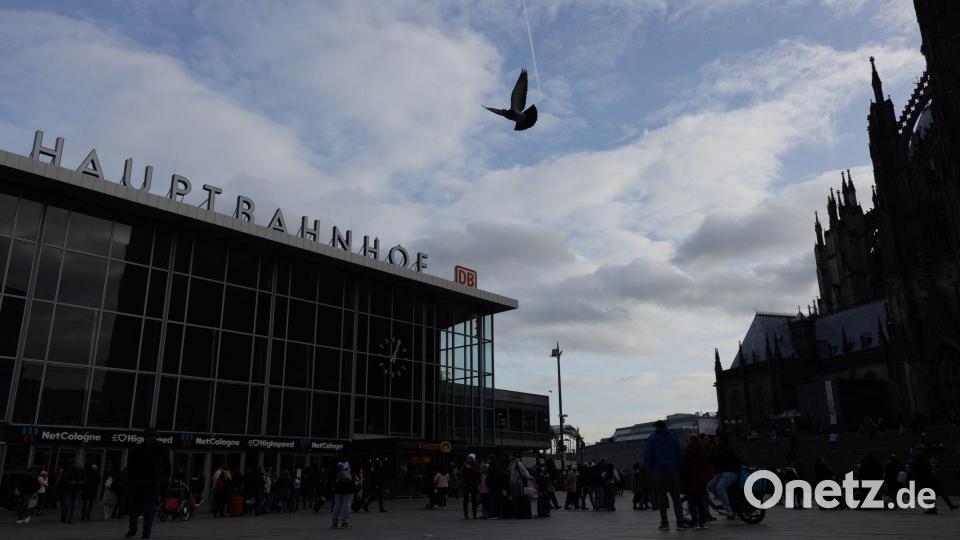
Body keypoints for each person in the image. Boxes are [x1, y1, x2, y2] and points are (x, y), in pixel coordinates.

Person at [126, 429, 172, 539]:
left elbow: (130, 466)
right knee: (149, 506)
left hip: (137, 479)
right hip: (153, 480)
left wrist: (130, 478)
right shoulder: (163, 448)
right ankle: (146, 532)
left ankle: (132, 530)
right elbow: (167, 466)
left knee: (135, 506)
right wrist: (165, 480)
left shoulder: (136, 449)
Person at [644, 420, 685, 531]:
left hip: (659, 471)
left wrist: (652, 468)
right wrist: (677, 467)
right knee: (676, 497)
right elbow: (680, 454)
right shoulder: (674, 439)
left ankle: (664, 523)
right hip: (672, 470)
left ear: (657, 428)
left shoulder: (652, 439)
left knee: (661, 498)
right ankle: (680, 523)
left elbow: (648, 455)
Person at [681, 434, 711, 529]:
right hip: (701, 479)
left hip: (690, 480)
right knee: (700, 502)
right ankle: (703, 522)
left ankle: (695, 522)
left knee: (692, 503)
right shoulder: (702, 451)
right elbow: (706, 465)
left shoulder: (687, 451)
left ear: (690, 441)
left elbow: (684, 466)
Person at [707, 434, 739, 518]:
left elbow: (717, 457)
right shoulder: (718, 448)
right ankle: (725, 503)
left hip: (731, 471)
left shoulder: (726, 449)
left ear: (722, 441)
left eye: (717, 440)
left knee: (720, 487)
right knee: (710, 486)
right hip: (722, 472)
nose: (715, 441)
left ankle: (729, 510)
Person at [331, 453, 355, 530]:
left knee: (337, 504)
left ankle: (335, 523)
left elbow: (332, 472)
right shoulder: (352, 459)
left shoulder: (336, 459)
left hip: (338, 485)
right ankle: (344, 522)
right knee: (347, 503)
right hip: (348, 485)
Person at [460, 454, 480, 519]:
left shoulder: (476, 465)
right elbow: (461, 473)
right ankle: (466, 514)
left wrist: (471, 468)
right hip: (466, 484)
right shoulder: (465, 465)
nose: (469, 459)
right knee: (465, 500)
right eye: (468, 458)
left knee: (474, 500)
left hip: (473, 484)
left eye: (471, 458)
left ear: (473, 459)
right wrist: (465, 468)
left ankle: (474, 514)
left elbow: (478, 473)